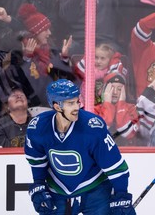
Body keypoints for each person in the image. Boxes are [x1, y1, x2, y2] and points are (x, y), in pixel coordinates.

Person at [24, 79, 136, 214]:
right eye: (70, 103)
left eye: (77, 101)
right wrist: (39, 184)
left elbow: (116, 168)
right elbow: (37, 162)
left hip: (95, 188)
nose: (77, 107)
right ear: (57, 106)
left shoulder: (92, 127)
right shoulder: (38, 127)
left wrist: (121, 196)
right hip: (59, 190)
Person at [94, 72, 140, 146]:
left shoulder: (132, 108)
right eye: (111, 88)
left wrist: (121, 105)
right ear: (104, 90)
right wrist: (108, 104)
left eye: (119, 89)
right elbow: (97, 132)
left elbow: (127, 133)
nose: (115, 92)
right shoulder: (95, 109)